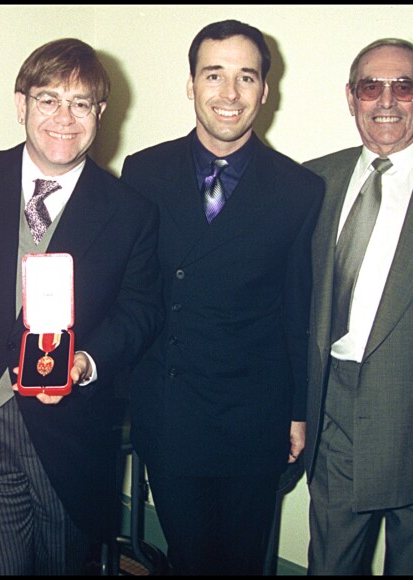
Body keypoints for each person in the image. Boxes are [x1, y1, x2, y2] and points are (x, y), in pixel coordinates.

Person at [0, 37, 163, 575]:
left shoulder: (130, 211)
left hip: (71, 435)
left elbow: (141, 310)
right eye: (48, 99)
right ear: (21, 104)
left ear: (100, 114)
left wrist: (86, 361)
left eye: (81, 103)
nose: (64, 117)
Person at [120, 19, 324, 575]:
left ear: (264, 89)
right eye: (214, 75)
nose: (229, 95)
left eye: (245, 77)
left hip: (252, 413)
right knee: (189, 557)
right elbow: (130, 293)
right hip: (170, 406)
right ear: (191, 84)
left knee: (240, 561)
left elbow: (297, 309)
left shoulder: (298, 189)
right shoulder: (142, 171)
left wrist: (297, 412)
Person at [303, 38, 413, 575]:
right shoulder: (312, 181)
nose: (387, 101)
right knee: (331, 564)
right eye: (372, 86)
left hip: (411, 410)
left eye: (405, 86)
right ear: (351, 97)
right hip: (335, 414)